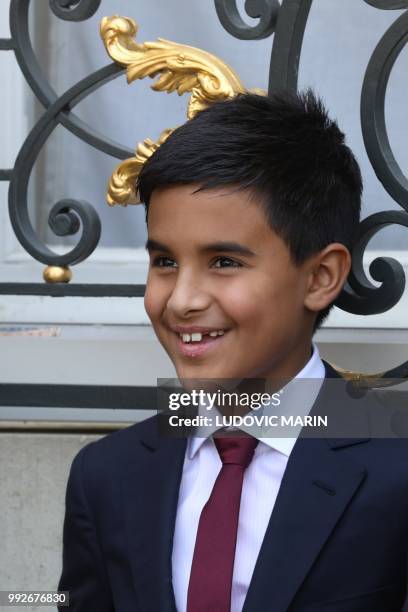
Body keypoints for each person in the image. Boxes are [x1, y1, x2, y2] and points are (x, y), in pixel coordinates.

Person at [58, 91, 408, 611]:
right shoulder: (106, 475)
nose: (181, 301)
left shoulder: (397, 462)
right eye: (164, 262)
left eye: (223, 262)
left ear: (320, 277)